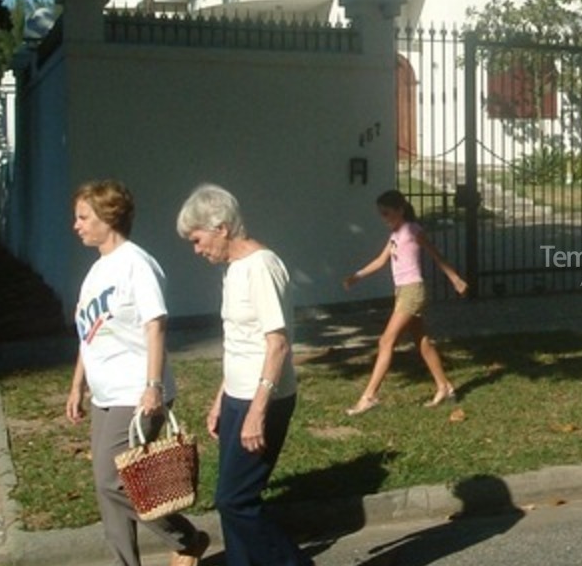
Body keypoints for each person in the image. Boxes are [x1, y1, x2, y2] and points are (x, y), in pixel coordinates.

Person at [65, 180, 210, 566]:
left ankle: (187, 538)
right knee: (106, 489)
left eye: (83, 217)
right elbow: (88, 333)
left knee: (114, 482)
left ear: (108, 218)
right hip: (105, 396)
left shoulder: (137, 264)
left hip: (136, 392)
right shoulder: (97, 270)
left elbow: (155, 324)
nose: (76, 225)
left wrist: (153, 386)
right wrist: (77, 385)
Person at [175, 184, 312, 566]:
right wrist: (221, 398)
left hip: (265, 400)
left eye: (197, 239)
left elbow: (277, 344)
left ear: (220, 227)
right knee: (232, 499)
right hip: (238, 397)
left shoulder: (261, 267)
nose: (197, 249)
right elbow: (239, 341)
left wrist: (256, 410)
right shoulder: (233, 270)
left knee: (235, 500)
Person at [342, 189, 468, 415]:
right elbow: (380, 261)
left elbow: (435, 254)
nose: (384, 218)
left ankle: (368, 397)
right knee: (422, 341)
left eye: (387, 213)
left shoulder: (412, 230)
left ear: (400, 210)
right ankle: (445, 387)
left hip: (413, 292)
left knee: (385, 341)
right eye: (381, 214)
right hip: (402, 291)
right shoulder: (394, 235)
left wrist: (455, 278)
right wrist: (356, 276)